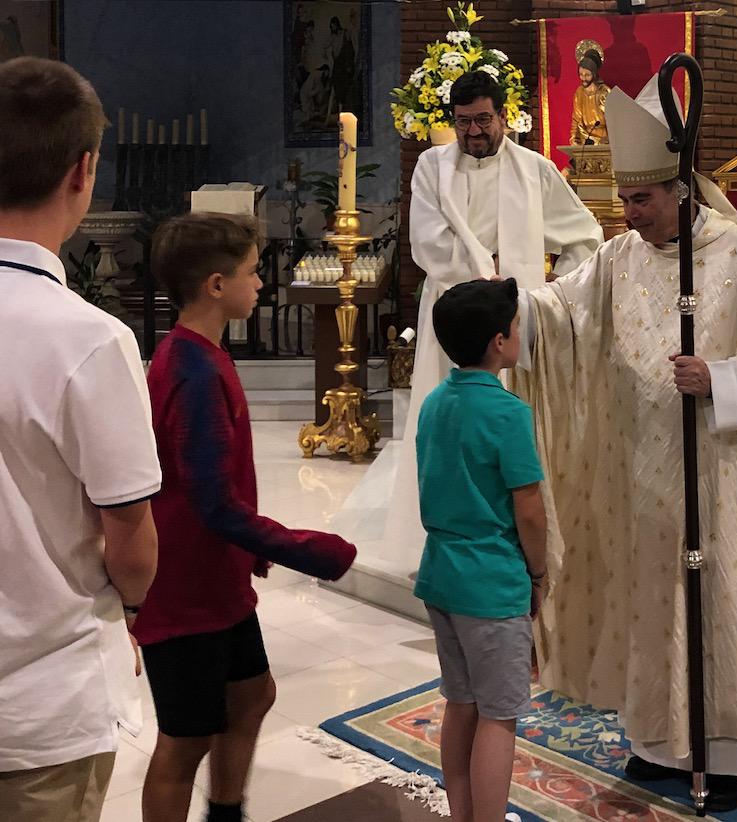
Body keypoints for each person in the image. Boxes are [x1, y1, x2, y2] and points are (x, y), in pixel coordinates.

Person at [515, 76, 737, 812]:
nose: (626, 213)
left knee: (723, 600)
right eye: (624, 200)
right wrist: (505, 306)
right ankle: (658, 741)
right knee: (654, 601)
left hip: (724, 466)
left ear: (677, 189)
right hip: (643, 469)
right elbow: (562, 311)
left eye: (639, 200)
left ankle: (732, 748)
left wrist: (724, 377)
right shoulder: (619, 258)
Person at [134, 213, 357, 822]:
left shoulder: (197, 354)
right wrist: (308, 549)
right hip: (186, 584)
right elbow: (209, 502)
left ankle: (227, 813)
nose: (260, 284)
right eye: (252, 272)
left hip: (214, 576)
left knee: (254, 695)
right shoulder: (193, 370)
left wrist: (248, 551)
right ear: (214, 285)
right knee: (184, 740)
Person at [0, 57, 161, 821]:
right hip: (41, 710)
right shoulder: (88, 339)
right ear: (83, 170)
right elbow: (131, 543)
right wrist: (130, 606)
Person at [366, 70, 602, 579]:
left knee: (513, 431)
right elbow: (427, 245)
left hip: (515, 321)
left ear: (503, 117)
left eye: (483, 120)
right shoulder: (433, 167)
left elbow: (586, 235)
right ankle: (440, 537)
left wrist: (554, 289)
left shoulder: (533, 170)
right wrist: (484, 264)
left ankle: (522, 539)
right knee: (448, 426)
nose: (473, 132)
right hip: (452, 319)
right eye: (463, 122)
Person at [414, 279, 547, 822]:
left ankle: (464, 813)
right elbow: (530, 508)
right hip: (491, 580)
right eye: (515, 326)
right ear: (499, 341)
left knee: (461, 703)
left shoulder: (435, 402)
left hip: (441, 572)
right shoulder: (507, 412)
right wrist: (537, 573)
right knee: (499, 716)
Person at [570, 48, 609, 146]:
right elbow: (576, 118)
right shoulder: (580, 92)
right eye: (581, 74)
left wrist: (609, 138)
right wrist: (574, 138)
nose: (583, 78)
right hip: (586, 139)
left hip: (604, 140)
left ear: (594, 74)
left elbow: (613, 120)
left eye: (587, 75)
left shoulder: (604, 92)